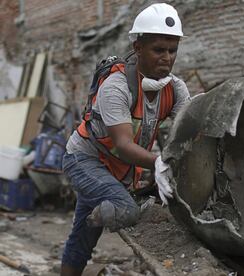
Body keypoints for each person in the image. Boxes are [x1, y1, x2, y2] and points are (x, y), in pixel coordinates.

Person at [60, 3, 190, 275]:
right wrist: (158, 163)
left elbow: (185, 133)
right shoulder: (117, 86)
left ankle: (93, 217)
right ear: (138, 47)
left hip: (117, 170)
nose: (166, 57)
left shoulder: (175, 89)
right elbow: (123, 144)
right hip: (84, 160)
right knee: (125, 209)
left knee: (83, 239)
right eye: (158, 50)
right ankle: (98, 213)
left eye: (172, 50)